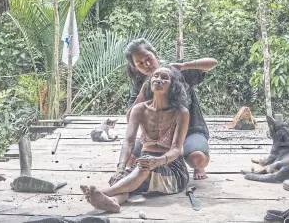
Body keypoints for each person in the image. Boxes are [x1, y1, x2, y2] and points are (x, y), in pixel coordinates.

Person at [80, 66, 190, 213]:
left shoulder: (181, 112)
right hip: (143, 163)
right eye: (156, 76)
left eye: (165, 78)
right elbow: (129, 141)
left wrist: (158, 161)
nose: (158, 79)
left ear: (173, 86)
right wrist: (120, 168)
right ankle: (113, 201)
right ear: (150, 82)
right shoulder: (139, 109)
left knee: (141, 170)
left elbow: (176, 148)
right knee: (127, 176)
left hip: (171, 167)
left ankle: (106, 192)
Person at [123, 38, 218, 180]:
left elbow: (212, 63)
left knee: (197, 158)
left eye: (148, 58)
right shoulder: (140, 84)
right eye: (140, 63)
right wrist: (145, 87)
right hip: (158, 138)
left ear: (156, 55)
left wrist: (184, 65)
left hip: (190, 132)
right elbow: (130, 119)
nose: (147, 65)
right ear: (135, 67)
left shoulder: (178, 72)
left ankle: (197, 165)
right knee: (129, 160)